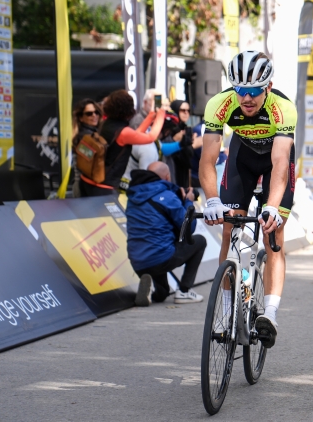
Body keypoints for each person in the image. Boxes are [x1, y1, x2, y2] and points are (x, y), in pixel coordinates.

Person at [200, 51, 297, 348]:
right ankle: (229, 311)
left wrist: (271, 206)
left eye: (255, 91)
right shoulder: (220, 104)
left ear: (268, 87)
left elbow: (280, 162)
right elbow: (207, 160)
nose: (247, 98)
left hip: (274, 164)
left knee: (273, 234)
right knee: (229, 228)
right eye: (241, 91)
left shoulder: (283, 109)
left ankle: (269, 314)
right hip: (242, 158)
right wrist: (213, 200)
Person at [128, 161, 207, 306]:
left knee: (163, 294)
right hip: (160, 256)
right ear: (167, 177)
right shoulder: (167, 196)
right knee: (200, 241)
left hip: (137, 261)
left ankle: (152, 290)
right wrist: (188, 202)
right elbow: (188, 228)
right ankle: (184, 291)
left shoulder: (133, 196)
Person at [79, 90, 166, 197]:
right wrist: (161, 116)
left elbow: (135, 135)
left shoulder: (106, 124)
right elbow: (151, 137)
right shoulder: (123, 132)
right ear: (128, 109)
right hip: (103, 186)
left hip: (87, 180)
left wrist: (151, 116)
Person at [119, 111, 202, 192]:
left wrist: (180, 144)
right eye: (168, 131)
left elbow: (162, 148)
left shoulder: (149, 137)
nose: (168, 134)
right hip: (130, 189)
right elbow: (146, 177)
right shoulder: (147, 148)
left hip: (132, 185)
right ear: (165, 130)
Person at [71, 99, 102, 198]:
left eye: (96, 112)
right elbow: (88, 166)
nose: (94, 116)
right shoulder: (84, 137)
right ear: (81, 118)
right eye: (89, 114)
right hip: (84, 186)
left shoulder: (94, 133)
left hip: (88, 186)